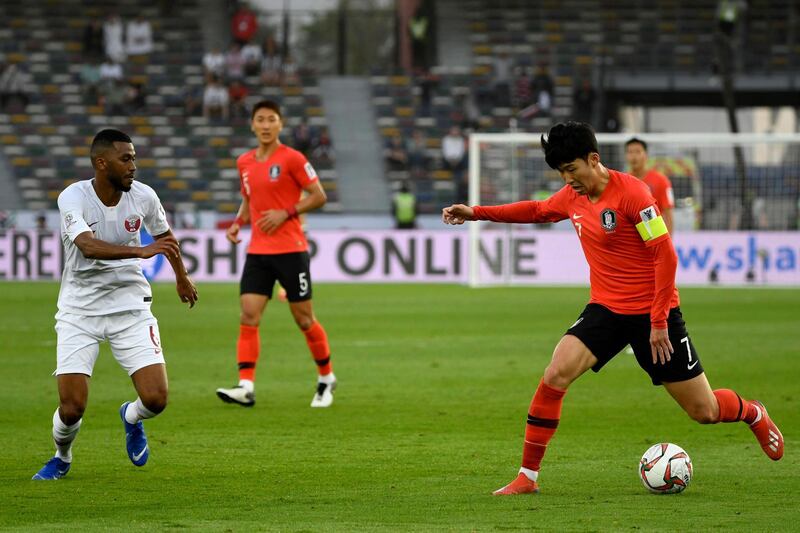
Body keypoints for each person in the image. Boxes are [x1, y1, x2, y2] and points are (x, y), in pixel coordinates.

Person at [441, 121, 784, 495]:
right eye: (561, 172)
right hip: (606, 309)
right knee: (556, 372)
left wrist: (657, 321)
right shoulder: (572, 196)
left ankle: (753, 412)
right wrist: (476, 212)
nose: (567, 179)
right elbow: (537, 209)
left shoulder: (634, 194)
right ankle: (528, 477)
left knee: (704, 412)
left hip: (656, 313)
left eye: (572, 169)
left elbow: (665, 257)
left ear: (594, 159)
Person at [31, 129, 198, 480]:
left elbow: (165, 237)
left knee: (156, 399)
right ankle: (62, 456)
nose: (133, 166)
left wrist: (181, 276)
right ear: (101, 162)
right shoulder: (73, 197)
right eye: (126, 158)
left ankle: (131, 417)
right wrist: (140, 251)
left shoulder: (143, 196)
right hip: (80, 310)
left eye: (134, 158)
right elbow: (88, 246)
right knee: (72, 407)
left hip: (130, 307)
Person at [216, 100, 335, 408]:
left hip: (291, 252)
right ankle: (246, 385)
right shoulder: (244, 162)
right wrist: (237, 223)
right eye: (261, 120)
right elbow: (248, 199)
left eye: (272, 119)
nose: (266, 125)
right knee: (248, 315)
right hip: (258, 252)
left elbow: (319, 196)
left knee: (304, 319)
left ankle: (326, 378)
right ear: (252, 125)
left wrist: (287, 212)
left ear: (280, 124)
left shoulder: (293, 158)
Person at [625, 137, 675, 234]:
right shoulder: (623, 182)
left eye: (638, 152)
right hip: (631, 237)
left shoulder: (661, 180)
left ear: (646, 155)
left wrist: (668, 242)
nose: (634, 157)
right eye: (630, 152)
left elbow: (668, 214)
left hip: (654, 233)